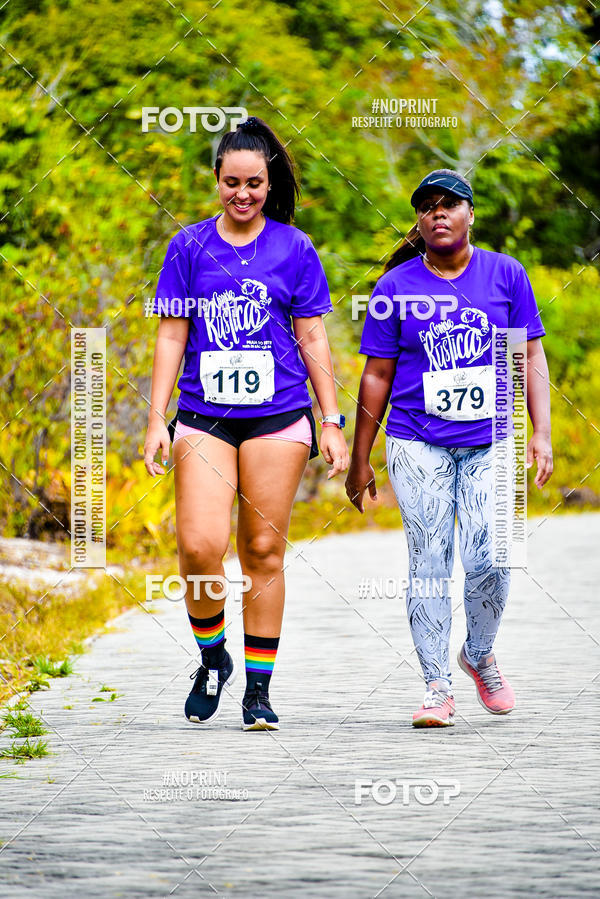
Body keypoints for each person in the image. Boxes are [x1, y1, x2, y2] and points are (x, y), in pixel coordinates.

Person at [144, 116, 348, 731]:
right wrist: (156, 419)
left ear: (268, 181)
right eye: (231, 182)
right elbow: (172, 333)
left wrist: (331, 421)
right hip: (204, 415)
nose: (243, 194)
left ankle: (258, 692)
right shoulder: (188, 246)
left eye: (254, 183)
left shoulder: (294, 247)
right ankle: (213, 657)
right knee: (200, 547)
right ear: (215, 180)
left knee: (262, 549)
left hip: (280, 416)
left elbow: (313, 337)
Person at [345, 169, 553, 727]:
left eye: (449, 205)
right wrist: (360, 455)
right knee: (429, 559)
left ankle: (478, 653)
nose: (438, 214)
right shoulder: (395, 288)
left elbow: (529, 355)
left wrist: (543, 432)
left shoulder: (506, 275)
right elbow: (376, 376)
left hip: (494, 437)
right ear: (418, 219)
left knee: (494, 555)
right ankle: (437, 686)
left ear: (470, 214)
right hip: (416, 439)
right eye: (427, 207)